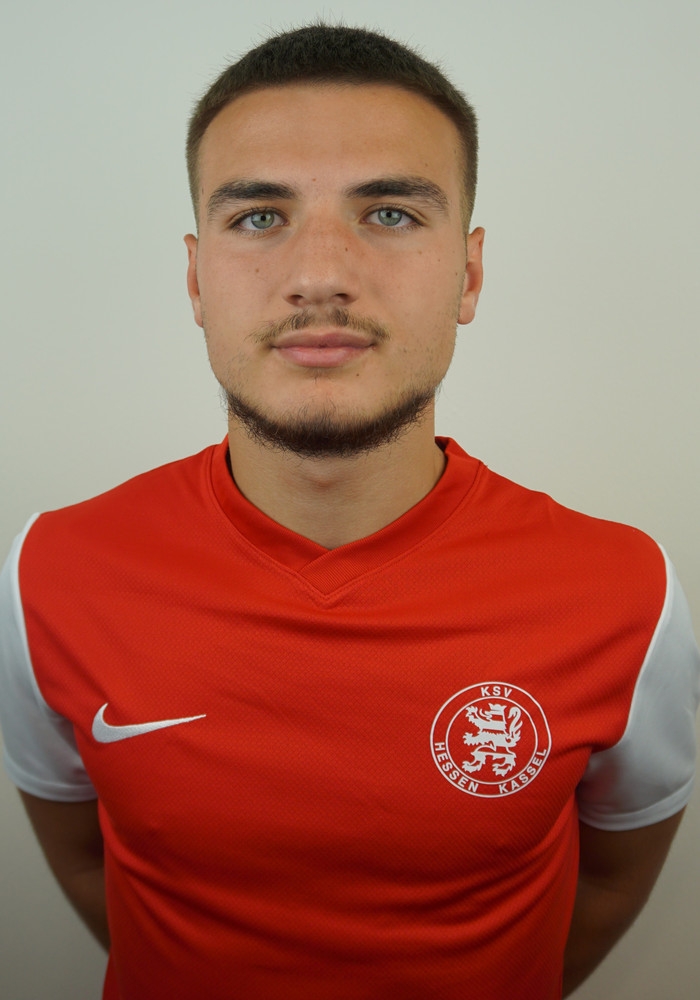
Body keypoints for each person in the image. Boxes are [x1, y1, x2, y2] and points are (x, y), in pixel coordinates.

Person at [0, 23, 698, 1000]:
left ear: (469, 273)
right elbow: (88, 861)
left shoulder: (626, 593)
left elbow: (614, 877)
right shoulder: (52, 572)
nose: (320, 273)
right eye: (259, 216)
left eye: (391, 213)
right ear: (195, 278)